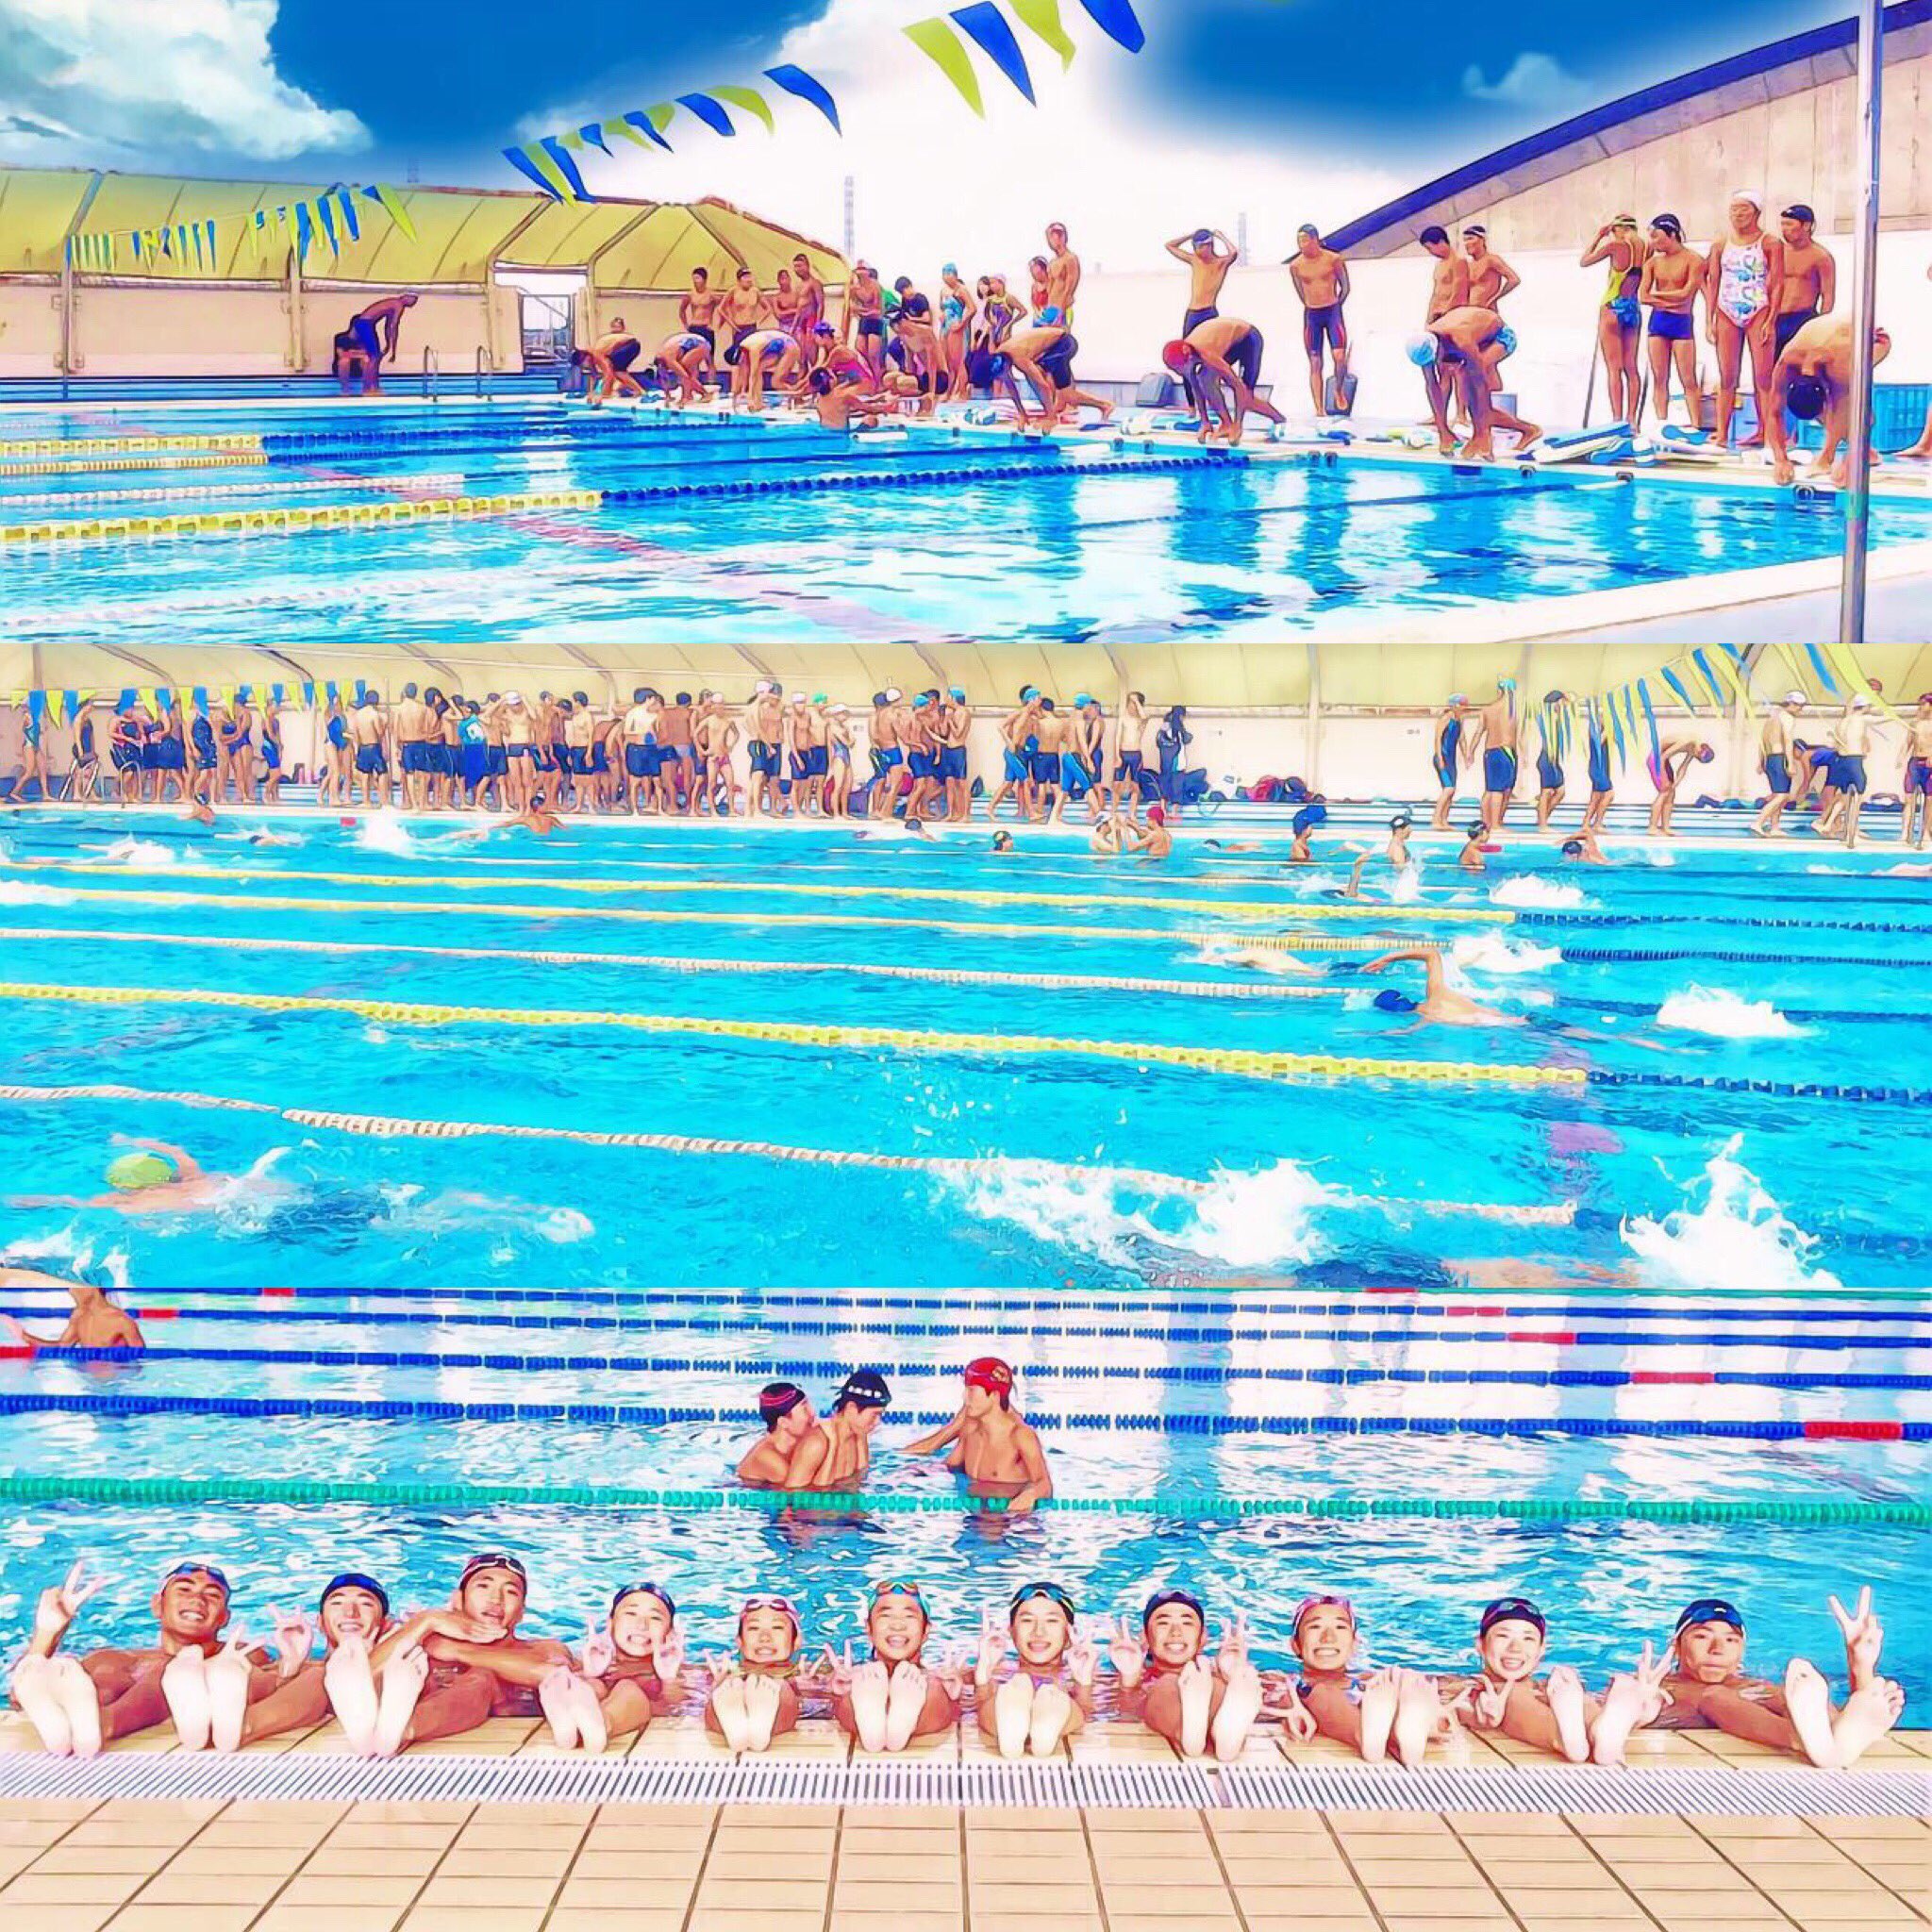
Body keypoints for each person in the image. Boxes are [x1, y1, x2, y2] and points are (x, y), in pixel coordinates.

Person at [218, 1571, 500, 1757]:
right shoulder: (311, 1668)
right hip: (330, 1684)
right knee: (313, 1673)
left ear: (386, 1624)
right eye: (337, 1603)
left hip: (396, 1700)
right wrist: (288, 1668)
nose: (350, 1612)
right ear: (320, 1623)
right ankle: (240, 1724)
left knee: (470, 1679)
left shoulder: (410, 1667)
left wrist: (423, 1629)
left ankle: (398, 1729)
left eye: (365, 1604)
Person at [8, 1560, 267, 1756]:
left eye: (212, 1595)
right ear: (157, 1606)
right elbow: (17, 1701)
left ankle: (102, 1723)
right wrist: (48, 1632)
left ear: (224, 1618)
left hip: (205, 1680)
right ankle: (73, 1719)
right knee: (101, 1673)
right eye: (184, 1590)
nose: (197, 1599)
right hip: (99, 1716)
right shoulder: (113, 1659)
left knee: (182, 1670)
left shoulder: (243, 1654)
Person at [1644, 1592, 1903, 1768]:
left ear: (1741, 1652)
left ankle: (1835, 1735)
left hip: (1817, 1737)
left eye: (1731, 1640)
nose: (1717, 1649)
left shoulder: (1752, 1686)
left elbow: (1813, 1713)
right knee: (1713, 1696)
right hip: (1693, 1725)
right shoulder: (1656, 1686)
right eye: (1702, 1637)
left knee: (1792, 1694)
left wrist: (1859, 1666)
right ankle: (1800, 1739)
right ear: (1676, 1647)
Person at [1265, 1593, 1464, 1765]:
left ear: (1354, 1644)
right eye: (1315, 1627)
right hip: (1338, 1710)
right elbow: (1262, 1697)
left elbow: (1457, 1686)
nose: (1328, 1638)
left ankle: (1412, 1732)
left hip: (1375, 1715)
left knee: (1407, 1681)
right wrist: (1289, 1706)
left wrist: (1433, 1699)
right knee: (1322, 1691)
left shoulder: (1371, 1680)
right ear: (1295, 1645)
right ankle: (1370, 1736)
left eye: (1340, 1628)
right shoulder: (1287, 1682)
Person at [1111, 1590, 1268, 1762]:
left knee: (1216, 1685)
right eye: (1163, 1623)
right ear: (1145, 1637)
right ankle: (1206, 1737)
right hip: (1169, 1699)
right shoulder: (1137, 1678)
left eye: (1187, 1623)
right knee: (1168, 1682)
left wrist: (1229, 1676)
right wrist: (1129, 1682)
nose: (1176, 1632)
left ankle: (1224, 1736)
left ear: (1203, 1637)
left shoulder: (1213, 1678)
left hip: (1204, 1695)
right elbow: (1119, 1715)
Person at [537, 1580, 684, 1755]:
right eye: (631, 1613)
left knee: (628, 1687)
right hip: (590, 1708)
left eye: (655, 1618)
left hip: (624, 1713)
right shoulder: (589, 1661)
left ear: (670, 1631)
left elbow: (678, 1711)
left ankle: (600, 1725)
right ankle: (568, 1721)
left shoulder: (678, 1673)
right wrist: (591, 1674)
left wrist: (669, 1680)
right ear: (610, 1623)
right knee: (588, 1685)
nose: (642, 1625)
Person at [824, 1581, 962, 1753]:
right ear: (869, 1628)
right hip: (870, 1691)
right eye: (886, 1616)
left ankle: (888, 1725)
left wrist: (955, 1693)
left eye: (909, 1616)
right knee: (852, 1687)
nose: (897, 1625)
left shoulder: (940, 1678)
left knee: (934, 1686)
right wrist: (836, 1691)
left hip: (902, 1693)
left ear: (926, 1630)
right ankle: (889, 1725)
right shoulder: (853, 1676)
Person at [903, 1357, 1054, 1513]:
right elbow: (950, 1465)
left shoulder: (1020, 1435)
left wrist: (1031, 1494)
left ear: (994, 1395)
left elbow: (1044, 1484)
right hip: (970, 1516)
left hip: (1008, 1520)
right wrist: (915, 1472)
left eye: (971, 1391)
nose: (964, 1397)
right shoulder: (971, 1429)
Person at [1765, 316, 1892, 490]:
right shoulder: (1785, 365)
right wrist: (1780, 460)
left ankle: (1830, 456)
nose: (1821, 420)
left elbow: (1859, 414)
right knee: (1838, 409)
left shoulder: (1839, 366)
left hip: (1876, 340)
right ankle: (1866, 453)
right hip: (1834, 339)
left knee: (1843, 405)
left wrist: (1850, 461)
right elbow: (1773, 413)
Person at [974, 1582, 1094, 1758]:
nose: (1039, 1632)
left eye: (1052, 1621)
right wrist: (983, 1675)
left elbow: (1123, 1711)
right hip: (1012, 1709)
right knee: (1007, 1696)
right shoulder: (996, 1669)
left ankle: (1043, 1720)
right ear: (1011, 1631)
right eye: (1027, 1621)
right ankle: (1033, 1723)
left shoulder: (1080, 1671)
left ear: (1069, 1633)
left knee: (1058, 1701)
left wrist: (1084, 1684)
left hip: (1052, 1710)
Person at [1704, 192, 1783, 450]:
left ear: (1756, 212)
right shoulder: (1720, 244)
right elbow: (1713, 282)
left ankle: (1767, 432)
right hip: (1727, 309)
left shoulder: (1770, 242)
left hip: (1758, 308)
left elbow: (1777, 282)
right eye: (1734, 209)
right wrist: (1709, 319)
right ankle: (1722, 433)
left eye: (1744, 209)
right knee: (1727, 376)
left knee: (1763, 377)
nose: (1738, 214)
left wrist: (1771, 318)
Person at [1407, 308, 1540, 459]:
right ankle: (1527, 430)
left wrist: (1482, 433)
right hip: (1474, 336)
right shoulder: (1424, 342)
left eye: (1438, 358)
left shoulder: (1461, 340)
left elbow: (1480, 385)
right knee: (1467, 386)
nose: (1438, 362)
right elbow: (1432, 385)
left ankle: (1509, 433)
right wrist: (1442, 430)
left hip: (1500, 338)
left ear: (1439, 347)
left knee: (1470, 381)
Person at [8, 1134, 242, 1218]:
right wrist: (132, 1141)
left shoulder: (128, 1200)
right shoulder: (193, 1177)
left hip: (185, 1219)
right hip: (226, 1197)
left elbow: (74, 1203)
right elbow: (176, 1152)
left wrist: (36, 1201)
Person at [1162, 317, 1285, 444]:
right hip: (1226, 343)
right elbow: (1196, 389)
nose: (1182, 372)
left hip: (1248, 339)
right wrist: (1205, 422)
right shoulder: (1184, 360)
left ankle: (1279, 419)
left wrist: (1238, 425)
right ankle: (1226, 424)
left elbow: (1237, 386)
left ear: (1188, 355)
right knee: (1205, 380)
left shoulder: (1206, 353)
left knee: (1246, 395)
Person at [708, 1596, 806, 1751]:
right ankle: (739, 1727)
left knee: (782, 1687)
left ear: (797, 1640)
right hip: (736, 1694)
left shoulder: (803, 1676)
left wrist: (806, 1688)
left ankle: (756, 1725)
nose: (765, 1637)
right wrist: (716, 1684)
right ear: (739, 1641)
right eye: (754, 1628)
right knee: (726, 1687)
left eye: (777, 1628)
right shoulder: (725, 1674)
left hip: (779, 1709)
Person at [1637, 215, 1706, 431]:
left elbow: (1686, 293)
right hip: (1659, 322)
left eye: (1656, 237)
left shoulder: (1694, 260)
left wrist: (1658, 296)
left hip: (1681, 321)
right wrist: (1669, 300)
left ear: (1672, 234)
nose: (1653, 242)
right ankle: (1661, 423)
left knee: (1688, 378)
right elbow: (1643, 296)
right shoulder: (1652, 263)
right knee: (1660, 377)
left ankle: (1696, 425)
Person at [987, 311, 1111, 430]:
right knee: (1061, 392)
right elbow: (1011, 388)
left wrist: (1050, 417)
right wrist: (1022, 414)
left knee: (1059, 391)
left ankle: (1053, 414)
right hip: (1053, 347)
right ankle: (1102, 406)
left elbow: (1043, 386)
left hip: (1064, 343)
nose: (1006, 374)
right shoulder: (999, 355)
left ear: (1007, 362)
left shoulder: (1018, 357)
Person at [1579, 216, 1646, 423]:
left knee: (1614, 368)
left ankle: (1617, 419)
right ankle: (1632, 419)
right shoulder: (1645, 248)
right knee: (1631, 367)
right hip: (1633, 308)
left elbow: (1584, 261)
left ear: (1618, 229)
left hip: (1612, 307)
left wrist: (1599, 236)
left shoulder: (1616, 246)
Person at [782, 1369, 890, 1491]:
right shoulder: (817, 1443)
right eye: (874, 1415)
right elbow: (792, 1495)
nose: (877, 1422)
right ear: (851, 1408)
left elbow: (861, 1477)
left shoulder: (857, 1434)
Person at [1287, 225, 1351, 414]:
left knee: (1339, 357)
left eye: (1304, 240)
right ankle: (1319, 408)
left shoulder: (1333, 259)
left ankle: (1338, 389)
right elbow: (1300, 291)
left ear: (1315, 239)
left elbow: (1345, 287)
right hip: (1312, 315)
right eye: (1299, 241)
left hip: (1332, 312)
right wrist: (1310, 303)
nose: (1301, 245)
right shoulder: (1296, 265)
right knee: (1315, 362)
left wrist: (1336, 304)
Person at [0, 1278, 144, 1353]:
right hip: (89, 1386)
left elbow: (142, 1360)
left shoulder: (121, 1321)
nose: (71, 1292)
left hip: (118, 1386)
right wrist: (23, 1335)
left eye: (74, 1287)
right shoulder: (79, 1316)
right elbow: (61, 1347)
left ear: (94, 1288)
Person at [1774, 205, 1835, 359]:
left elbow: (1827, 295)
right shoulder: (1778, 252)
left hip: (1802, 317)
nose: (1785, 229)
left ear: (1806, 226)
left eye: (1789, 224)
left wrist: (1821, 327)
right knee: (1773, 367)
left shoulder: (1820, 256)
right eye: (1783, 224)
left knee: (1799, 366)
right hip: (1776, 317)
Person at [1752, 691, 1809, 837]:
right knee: (1782, 796)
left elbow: (1762, 741)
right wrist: (1790, 763)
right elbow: (1788, 740)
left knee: (1777, 794)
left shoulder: (1772, 718)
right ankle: (1758, 822)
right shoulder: (1787, 718)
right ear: (1791, 704)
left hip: (1769, 759)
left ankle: (1775, 827)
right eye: (1799, 706)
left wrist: (1761, 761)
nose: (1800, 710)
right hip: (1780, 758)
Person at [1465, 678, 1520, 833]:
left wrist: (1470, 751)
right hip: (1505, 752)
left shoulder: (1488, 709)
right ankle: (1496, 825)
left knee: (1490, 789)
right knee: (1499, 790)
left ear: (1499, 691)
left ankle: (1486, 823)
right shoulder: (1512, 709)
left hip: (1490, 752)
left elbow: (1478, 732)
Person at [340, 293, 418, 395]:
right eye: (414, 300)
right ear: (406, 297)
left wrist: (388, 345)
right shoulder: (398, 304)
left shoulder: (391, 304)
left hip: (365, 324)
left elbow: (388, 327)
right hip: (364, 324)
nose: (414, 303)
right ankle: (367, 389)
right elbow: (394, 326)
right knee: (374, 357)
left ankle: (375, 387)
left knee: (376, 357)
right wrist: (393, 350)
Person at [1167, 227, 1237, 333]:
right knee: (1187, 343)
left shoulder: (1220, 263)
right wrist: (1191, 235)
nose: (1196, 251)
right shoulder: (1195, 260)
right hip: (1192, 313)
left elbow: (1233, 253)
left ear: (1209, 246)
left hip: (1209, 312)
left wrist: (1221, 236)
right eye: (1195, 247)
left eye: (1199, 247)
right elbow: (1169, 245)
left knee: (1210, 342)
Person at [1648, 736, 1714, 835]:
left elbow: (1683, 767)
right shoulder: (1687, 740)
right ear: (1700, 749)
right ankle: (1652, 828)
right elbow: (1662, 757)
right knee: (1664, 791)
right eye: (1697, 755)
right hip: (1655, 759)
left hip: (1663, 760)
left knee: (1671, 794)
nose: (1695, 756)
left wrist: (1677, 782)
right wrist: (1664, 777)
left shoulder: (1695, 749)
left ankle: (1666, 828)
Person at [1429, 693, 1472, 829]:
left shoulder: (1459, 720)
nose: (1465, 708)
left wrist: (1466, 756)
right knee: (1448, 789)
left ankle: (1444, 821)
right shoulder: (1445, 718)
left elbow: (1462, 739)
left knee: (1451, 791)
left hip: (1451, 760)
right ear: (1455, 705)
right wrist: (1440, 758)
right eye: (1463, 705)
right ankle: (1435, 820)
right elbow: (1437, 739)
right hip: (1442, 757)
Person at [843, 261, 888, 385]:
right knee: (861, 352)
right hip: (864, 321)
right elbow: (852, 308)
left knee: (873, 356)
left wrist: (863, 311)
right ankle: (869, 381)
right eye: (858, 269)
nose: (860, 272)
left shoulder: (875, 286)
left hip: (875, 322)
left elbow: (878, 310)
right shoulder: (854, 288)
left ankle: (878, 383)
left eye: (862, 269)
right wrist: (864, 312)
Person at [584, 321, 646, 407]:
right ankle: (639, 391)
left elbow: (609, 375)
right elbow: (593, 375)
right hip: (631, 344)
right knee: (619, 371)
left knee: (617, 371)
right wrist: (590, 393)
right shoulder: (593, 357)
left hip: (630, 344)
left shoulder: (597, 353)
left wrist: (603, 396)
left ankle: (640, 391)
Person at [1419, 224, 1470, 325]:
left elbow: (1460, 293)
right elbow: (1435, 294)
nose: (1430, 252)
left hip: (1451, 314)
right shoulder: (1439, 265)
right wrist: (1429, 319)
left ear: (1441, 242)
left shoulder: (1458, 261)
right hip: (1437, 315)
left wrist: (1445, 314)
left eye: (1430, 248)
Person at [1532, 691, 1567, 828]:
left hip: (1554, 761)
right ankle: (1542, 824)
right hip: (1547, 759)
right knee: (1546, 792)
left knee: (1561, 791)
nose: (1563, 706)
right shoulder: (1547, 719)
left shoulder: (1559, 719)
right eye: (1561, 703)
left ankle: (1542, 815)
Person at [1902, 691, 1932, 849]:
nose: (1920, 707)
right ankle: (1905, 832)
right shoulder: (1915, 723)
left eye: (1923, 704)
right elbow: (1908, 742)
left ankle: (1926, 831)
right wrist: (1901, 756)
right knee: (1908, 798)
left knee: (1930, 800)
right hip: (1915, 762)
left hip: (1929, 764)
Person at [654, 331, 714, 405]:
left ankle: (698, 395)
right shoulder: (662, 356)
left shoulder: (668, 359)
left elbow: (685, 376)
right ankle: (691, 395)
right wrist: (667, 396)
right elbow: (663, 377)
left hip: (701, 344)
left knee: (684, 369)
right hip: (695, 344)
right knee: (685, 370)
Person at [679, 267, 722, 359]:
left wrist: (716, 325)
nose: (695, 281)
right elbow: (682, 310)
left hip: (706, 328)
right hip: (694, 327)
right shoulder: (690, 295)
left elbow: (724, 309)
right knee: (692, 358)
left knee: (709, 359)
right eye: (694, 279)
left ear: (704, 280)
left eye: (698, 278)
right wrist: (686, 325)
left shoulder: (711, 295)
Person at [1043, 222, 1081, 322]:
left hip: (1063, 307)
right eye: (1051, 237)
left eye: (1059, 235)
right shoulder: (1052, 262)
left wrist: (1061, 309)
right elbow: (1049, 288)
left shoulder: (1070, 258)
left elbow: (1070, 287)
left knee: (1062, 330)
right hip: (1051, 306)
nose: (1055, 239)